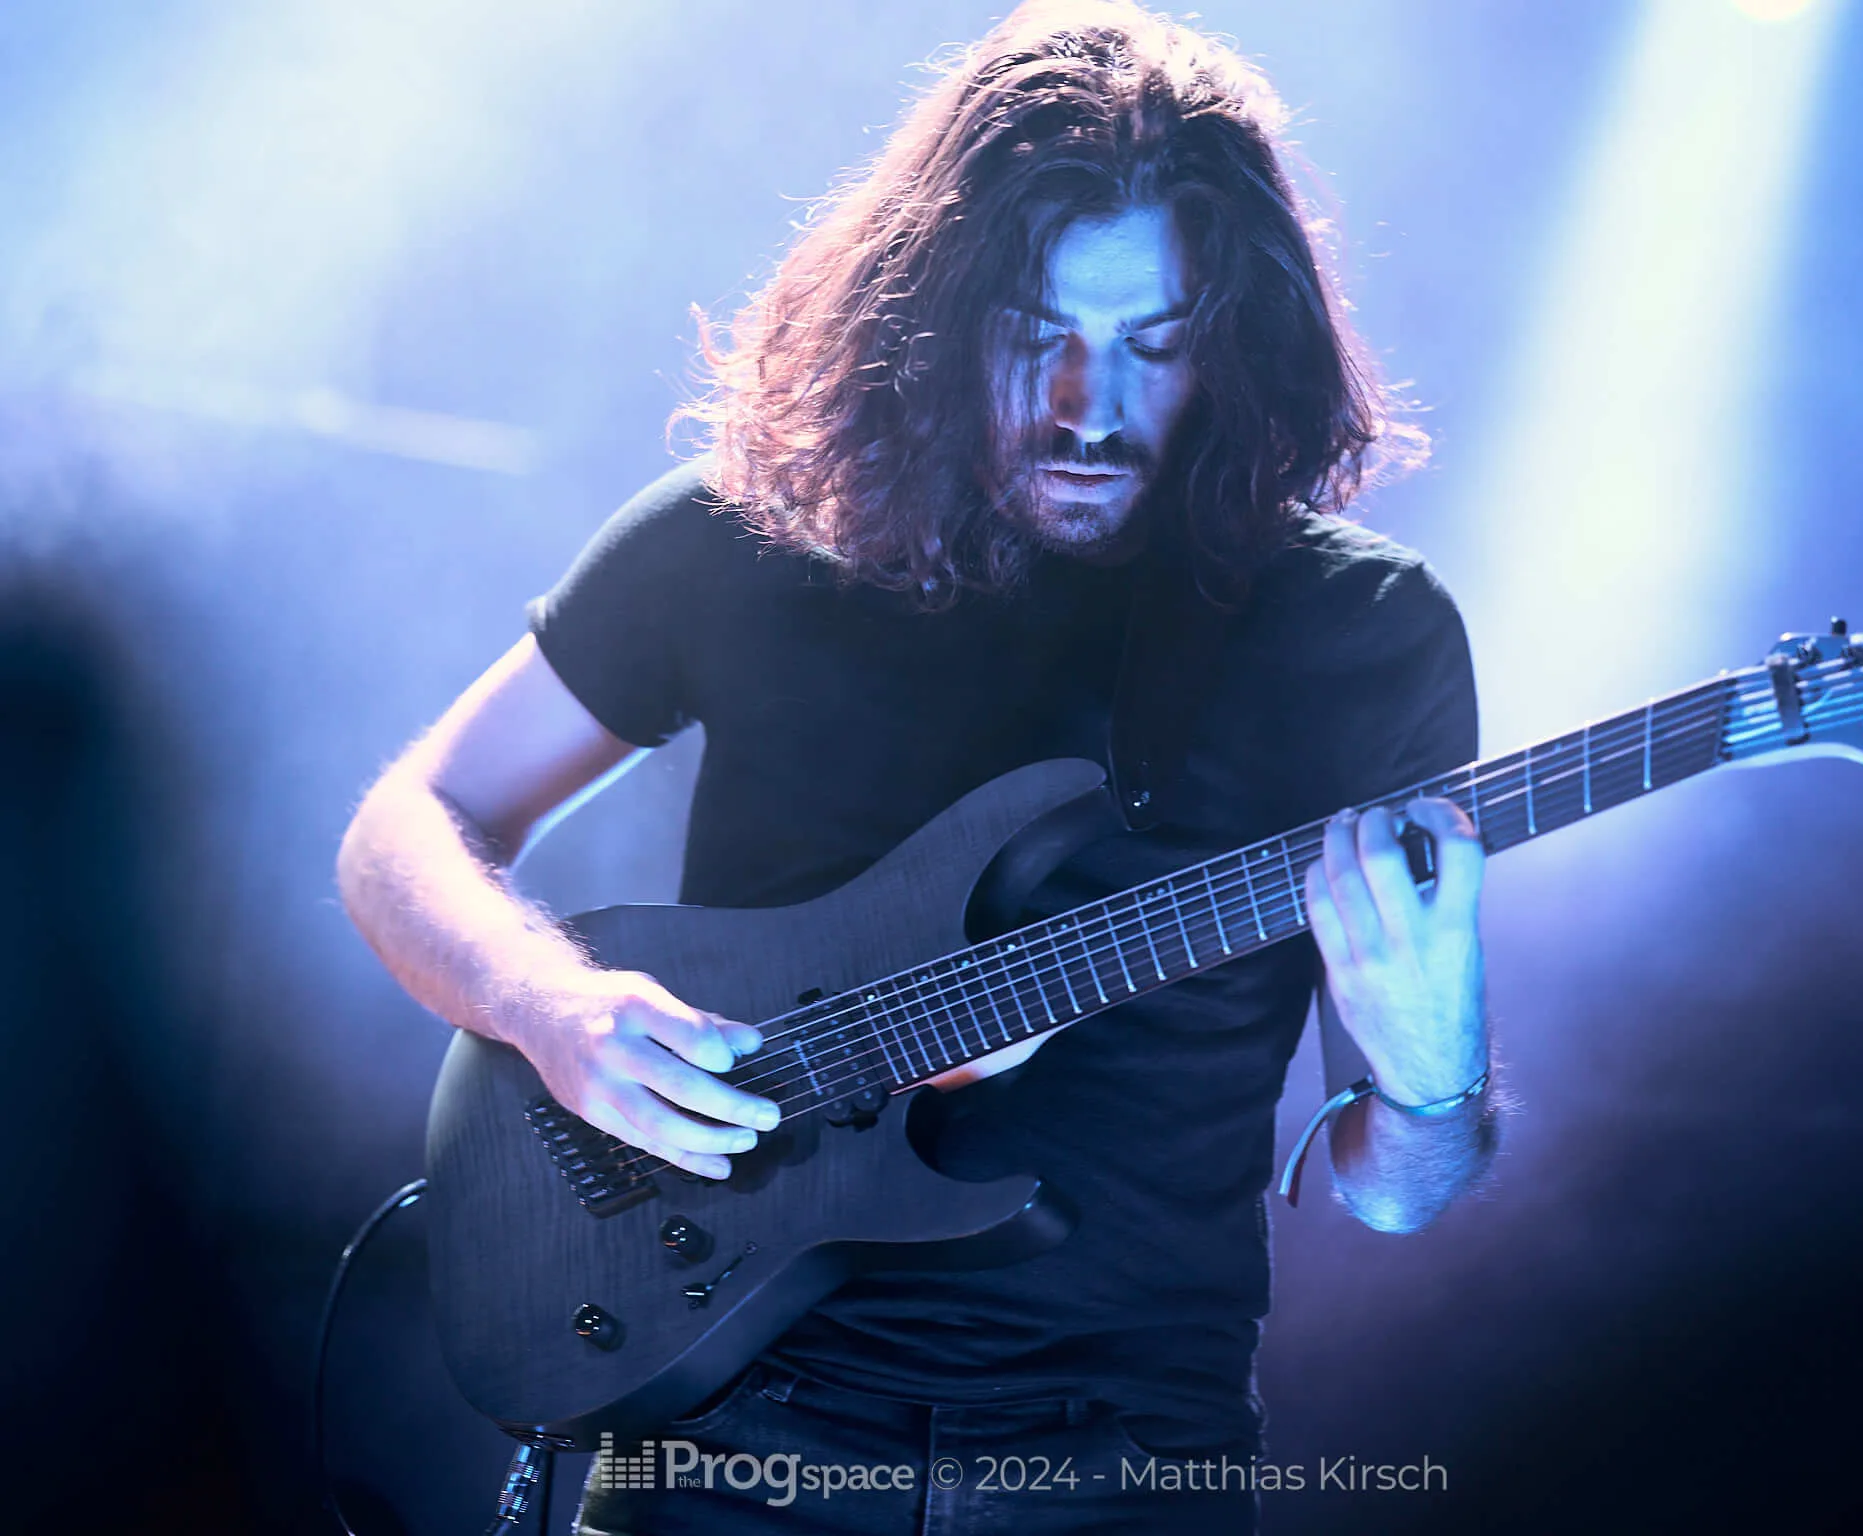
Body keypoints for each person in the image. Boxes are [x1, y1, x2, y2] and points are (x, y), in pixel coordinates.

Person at [337, 3, 1496, 1530]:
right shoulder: (749, 540)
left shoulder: (1363, 637)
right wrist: (550, 1009)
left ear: (1236, 343)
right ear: (933, 314)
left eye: (1154, 346)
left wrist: (1432, 1076)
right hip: (724, 1444)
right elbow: (406, 824)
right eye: (1036, 336)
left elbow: (1398, 1189)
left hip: (1122, 1464)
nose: (1090, 408)